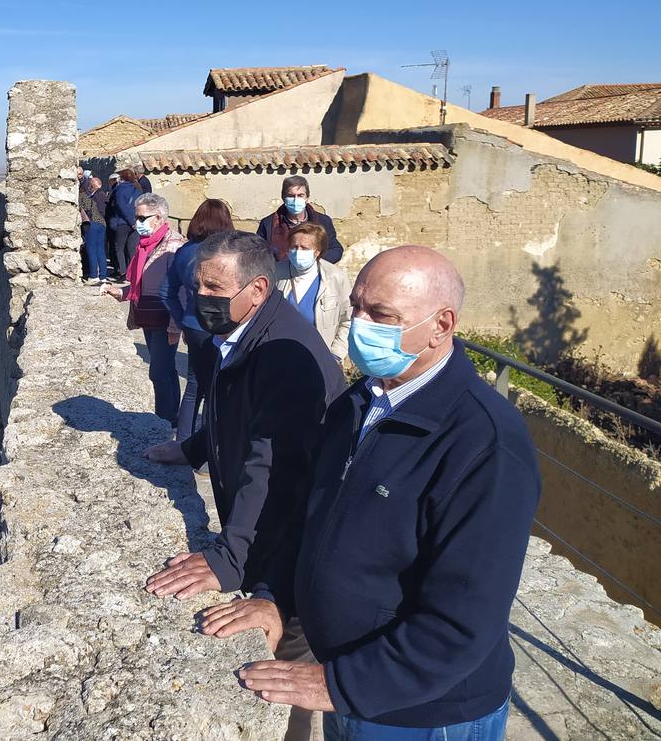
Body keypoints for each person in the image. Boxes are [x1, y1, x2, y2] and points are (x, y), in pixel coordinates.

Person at [212, 246, 540, 741]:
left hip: (424, 715)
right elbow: (311, 518)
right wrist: (274, 597)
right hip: (348, 686)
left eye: (382, 315)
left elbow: (463, 620)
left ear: (441, 325)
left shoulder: (484, 444)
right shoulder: (360, 402)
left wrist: (339, 684)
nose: (361, 325)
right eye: (358, 309)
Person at [142, 230, 344, 601]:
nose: (201, 296)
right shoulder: (241, 328)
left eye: (214, 287)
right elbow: (234, 409)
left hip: (288, 542)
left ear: (258, 289)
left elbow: (272, 465)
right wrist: (193, 449)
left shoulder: (282, 355)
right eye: (197, 284)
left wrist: (231, 558)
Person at [103, 193, 186, 426]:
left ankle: (163, 423)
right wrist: (120, 292)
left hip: (164, 318)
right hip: (148, 315)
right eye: (136, 217)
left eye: (142, 218)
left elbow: (181, 290)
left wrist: (174, 326)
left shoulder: (175, 245)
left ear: (158, 218)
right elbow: (142, 283)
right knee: (166, 371)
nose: (136, 223)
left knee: (159, 373)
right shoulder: (145, 246)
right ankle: (171, 419)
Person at [159, 198, 236, 445]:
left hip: (194, 326)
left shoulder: (183, 252)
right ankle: (209, 452)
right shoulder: (227, 254)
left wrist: (183, 321)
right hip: (224, 328)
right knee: (219, 391)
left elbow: (165, 292)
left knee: (194, 387)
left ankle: (183, 443)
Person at [274, 223, 351, 362]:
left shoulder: (335, 277)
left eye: (304, 248)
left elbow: (348, 320)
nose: (298, 252)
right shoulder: (275, 273)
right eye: (294, 247)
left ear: (317, 251)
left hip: (321, 359)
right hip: (280, 355)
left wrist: (336, 354)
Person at [257, 176, 343, 264]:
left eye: (300, 195)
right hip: (280, 274)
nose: (295, 200)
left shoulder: (323, 221)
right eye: (291, 196)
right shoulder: (269, 223)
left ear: (307, 198)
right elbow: (258, 254)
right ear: (283, 197)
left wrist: (313, 262)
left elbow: (335, 249)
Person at [108, 169, 144, 278]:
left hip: (123, 222)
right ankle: (133, 272)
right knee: (132, 249)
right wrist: (136, 221)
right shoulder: (137, 190)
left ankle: (122, 272)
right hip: (136, 223)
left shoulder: (120, 190)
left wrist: (131, 221)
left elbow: (121, 207)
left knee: (119, 248)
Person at [80, 176, 109, 284]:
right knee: (100, 249)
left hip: (91, 223)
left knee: (91, 249)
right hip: (102, 223)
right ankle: (103, 276)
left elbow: (84, 211)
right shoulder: (90, 197)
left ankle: (93, 276)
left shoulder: (81, 197)